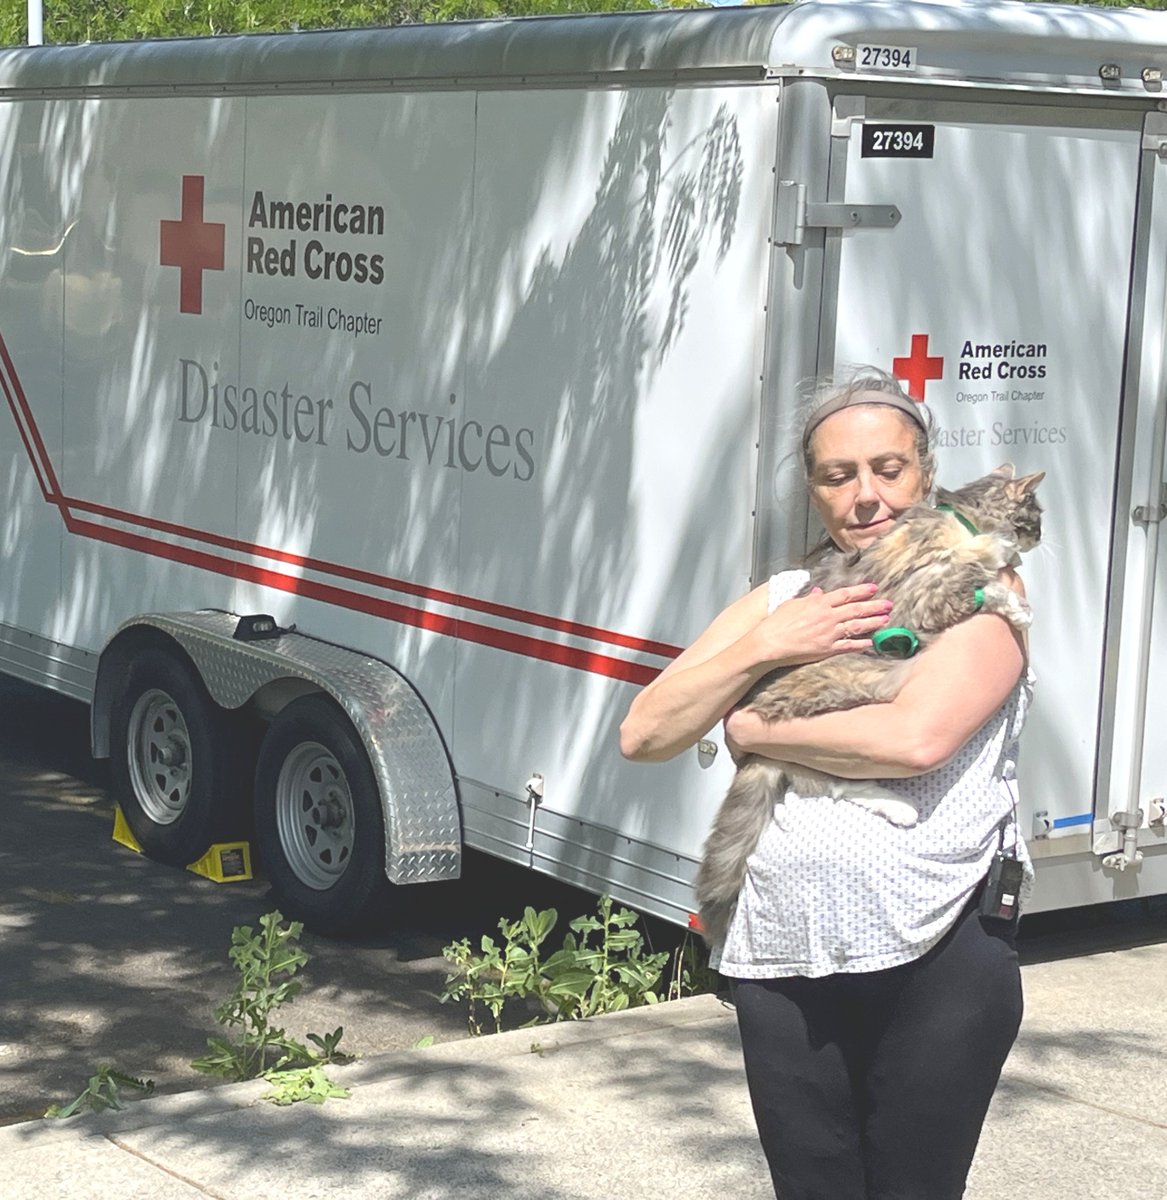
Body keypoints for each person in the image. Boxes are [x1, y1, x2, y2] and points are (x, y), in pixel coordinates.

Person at [619, 368, 1032, 1200]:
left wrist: (750, 726)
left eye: (888, 469)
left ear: (925, 470)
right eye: (836, 476)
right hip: (783, 955)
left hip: (938, 955)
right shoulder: (783, 599)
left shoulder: (981, 586)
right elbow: (645, 732)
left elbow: (913, 740)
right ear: (811, 490)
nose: (866, 497)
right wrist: (763, 646)